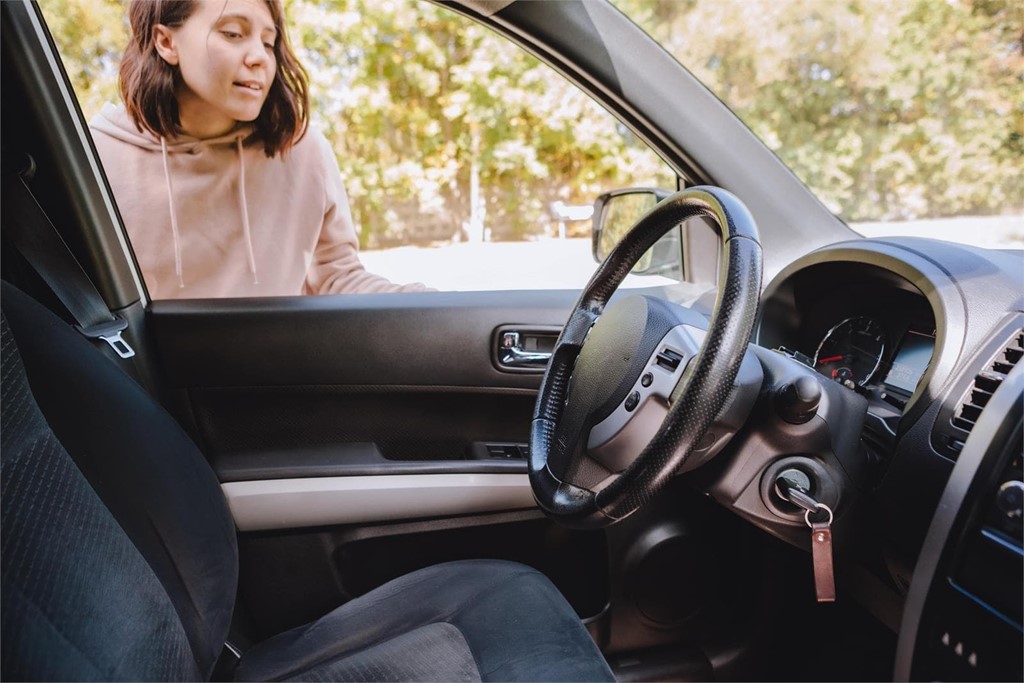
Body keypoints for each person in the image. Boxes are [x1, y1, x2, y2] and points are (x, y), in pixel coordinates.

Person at [89, 0, 427, 298]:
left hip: (272, 368)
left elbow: (336, 279)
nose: (260, 58)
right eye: (233, 33)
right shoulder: (96, 159)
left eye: (269, 42)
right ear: (166, 41)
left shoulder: (301, 151)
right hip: (133, 372)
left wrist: (433, 304)